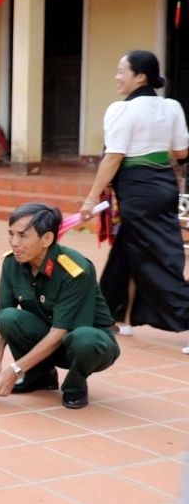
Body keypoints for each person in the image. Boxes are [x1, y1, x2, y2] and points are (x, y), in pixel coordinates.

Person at [78, 50, 189, 347]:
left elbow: (113, 157)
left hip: (138, 189)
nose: (116, 77)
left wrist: (90, 199)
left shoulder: (122, 110)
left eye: (121, 71)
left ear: (140, 77)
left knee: (157, 258)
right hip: (165, 184)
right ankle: (115, 316)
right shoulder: (173, 106)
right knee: (128, 250)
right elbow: (181, 153)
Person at [0, 202, 120, 409]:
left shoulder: (74, 269)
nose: (14, 242)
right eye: (11, 234)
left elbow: (61, 331)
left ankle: (75, 386)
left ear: (47, 238)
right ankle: (40, 377)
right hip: (49, 337)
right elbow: (0, 317)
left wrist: (15, 369)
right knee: (8, 317)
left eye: (22, 236)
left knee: (85, 338)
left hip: (89, 345)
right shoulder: (12, 263)